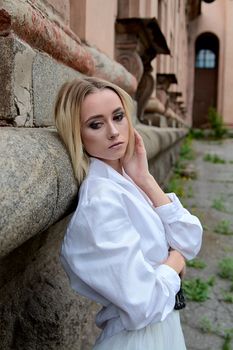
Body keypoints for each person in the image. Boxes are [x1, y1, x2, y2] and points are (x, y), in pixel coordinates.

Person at [54, 77, 203, 350]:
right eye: (96, 124)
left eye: (118, 116)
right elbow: (143, 303)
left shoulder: (127, 178)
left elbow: (191, 237)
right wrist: (176, 260)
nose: (113, 131)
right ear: (77, 133)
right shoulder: (100, 201)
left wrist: (145, 179)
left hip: (163, 327)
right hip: (137, 339)